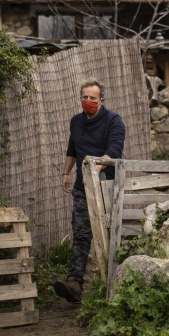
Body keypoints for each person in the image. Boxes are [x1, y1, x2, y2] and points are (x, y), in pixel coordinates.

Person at [53, 78, 125, 303]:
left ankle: (115, 284)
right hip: (82, 187)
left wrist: (94, 170)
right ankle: (74, 283)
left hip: (105, 186)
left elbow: (113, 150)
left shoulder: (114, 121)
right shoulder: (76, 122)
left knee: (111, 234)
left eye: (92, 98)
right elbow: (72, 148)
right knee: (82, 233)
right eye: (84, 97)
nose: (87, 101)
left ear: (101, 100)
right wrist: (66, 173)